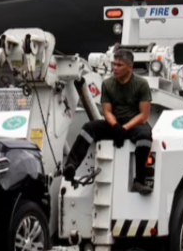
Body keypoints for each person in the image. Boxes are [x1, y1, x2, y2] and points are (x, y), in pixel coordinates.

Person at [62, 49, 154, 195]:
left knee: (145, 138)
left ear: (129, 67)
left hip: (135, 124)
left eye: (119, 65)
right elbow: (107, 112)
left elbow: (144, 115)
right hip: (115, 124)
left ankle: (139, 181)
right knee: (88, 128)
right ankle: (71, 166)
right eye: (114, 64)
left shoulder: (141, 84)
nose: (115, 68)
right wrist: (116, 126)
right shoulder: (108, 84)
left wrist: (124, 128)